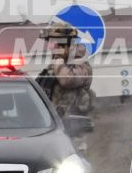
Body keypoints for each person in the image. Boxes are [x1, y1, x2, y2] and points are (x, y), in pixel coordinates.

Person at [36, 23, 95, 156]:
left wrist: (58, 61)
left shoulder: (80, 63)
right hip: (56, 126)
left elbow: (68, 80)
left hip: (73, 129)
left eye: (54, 43)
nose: (51, 47)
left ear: (65, 43)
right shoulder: (57, 64)